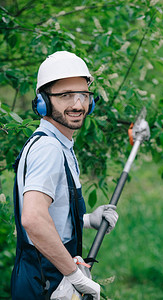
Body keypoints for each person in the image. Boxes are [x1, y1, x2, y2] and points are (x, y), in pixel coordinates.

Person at [11, 51, 118, 300]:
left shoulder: (59, 144)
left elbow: (52, 217)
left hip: (47, 275)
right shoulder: (48, 149)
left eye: (83, 95)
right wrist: (73, 274)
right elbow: (34, 219)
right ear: (43, 102)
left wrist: (88, 219)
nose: (78, 104)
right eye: (65, 95)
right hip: (44, 281)